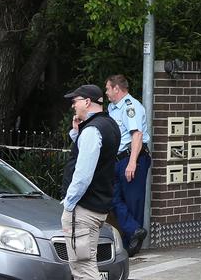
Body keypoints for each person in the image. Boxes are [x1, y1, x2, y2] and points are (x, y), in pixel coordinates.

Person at [60, 84, 121, 280]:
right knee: (88, 265)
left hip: (83, 210)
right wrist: (76, 132)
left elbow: (83, 174)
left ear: (87, 102)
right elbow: (100, 160)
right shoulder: (110, 125)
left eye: (75, 101)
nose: (73, 106)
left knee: (83, 269)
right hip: (97, 206)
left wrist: (69, 204)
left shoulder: (92, 131)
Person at [105, 73, 151, 256]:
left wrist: (132, 163)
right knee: (111, 197)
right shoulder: (112, 108)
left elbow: (137, 135)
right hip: (117, 160)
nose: (106, 92)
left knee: (133, 202)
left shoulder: (130, 107)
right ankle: (133, 231)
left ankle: (130, 247)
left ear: (117, 88)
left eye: (108, 88)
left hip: (132, 158)